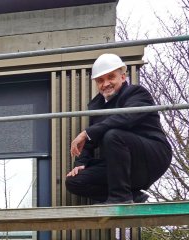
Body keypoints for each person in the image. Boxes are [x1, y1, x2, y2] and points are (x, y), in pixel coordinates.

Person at [65, 53, 172, 204]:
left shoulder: (137, 93)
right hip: (119, 168)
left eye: (111, 77)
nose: (106, 83)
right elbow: (91, 140)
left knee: (113, 135)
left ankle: (120, 198)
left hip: (151, 157)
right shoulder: (96, 106)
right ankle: (133, 196)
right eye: (100, 80)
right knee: (74, 181)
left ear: (122, 77)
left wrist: (87, 133)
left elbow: (126, 118)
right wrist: (80, 163)